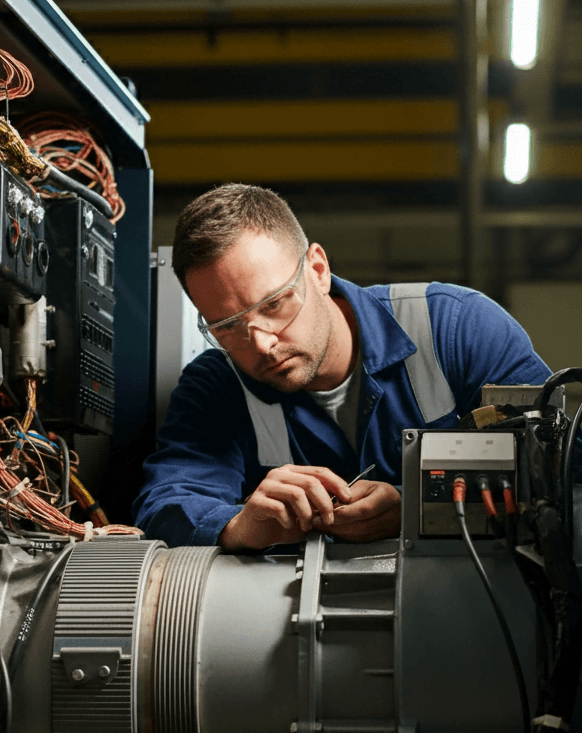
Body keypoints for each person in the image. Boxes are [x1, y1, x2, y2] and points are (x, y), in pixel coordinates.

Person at [133, 183, 557, 551]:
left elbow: (564, 470)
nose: (261, 344)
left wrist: (414, 505)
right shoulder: (217, 385)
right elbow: (165, 505)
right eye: (227, 327)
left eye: (274, 304)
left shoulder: (458, 330)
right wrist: (237, 525)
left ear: (317, 270)